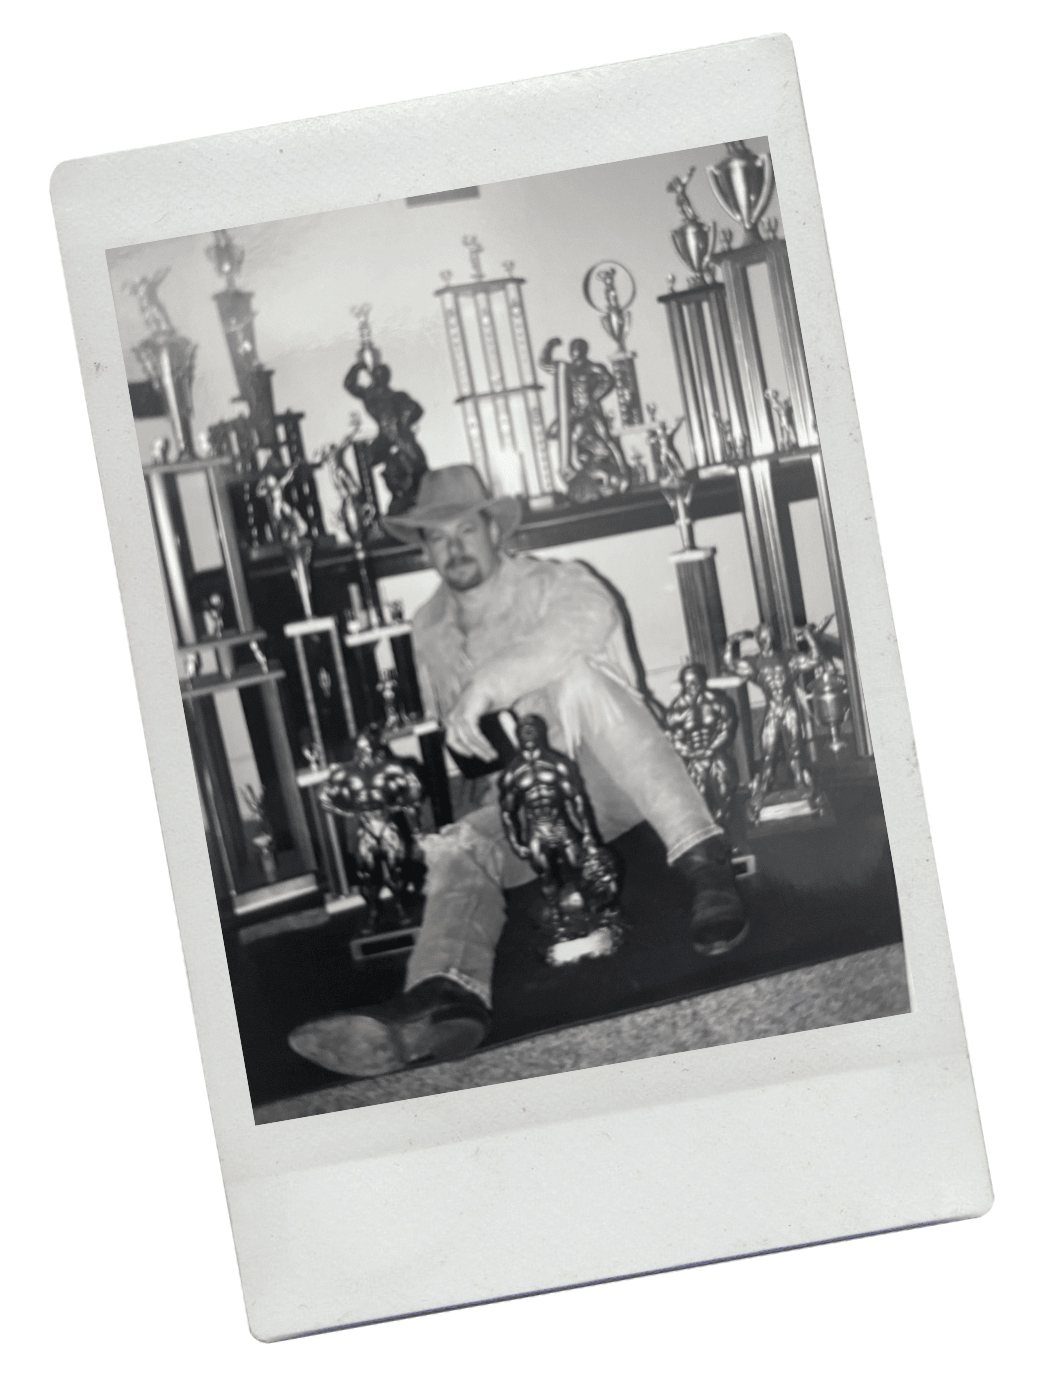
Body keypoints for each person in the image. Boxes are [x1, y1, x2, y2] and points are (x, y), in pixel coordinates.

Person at [288, 466, 747, 1079]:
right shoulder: (427, 629)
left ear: (492, 531)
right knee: (460, 843)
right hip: (527, 807)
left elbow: (587, 622)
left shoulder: (557, 582)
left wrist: (488, 686)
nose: (454, 548)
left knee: (580, 674)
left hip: (611, 778)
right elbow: (458, 743)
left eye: (465, 531)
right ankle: (444, 994)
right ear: (424, 550)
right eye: (438, 538)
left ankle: (705, 863)